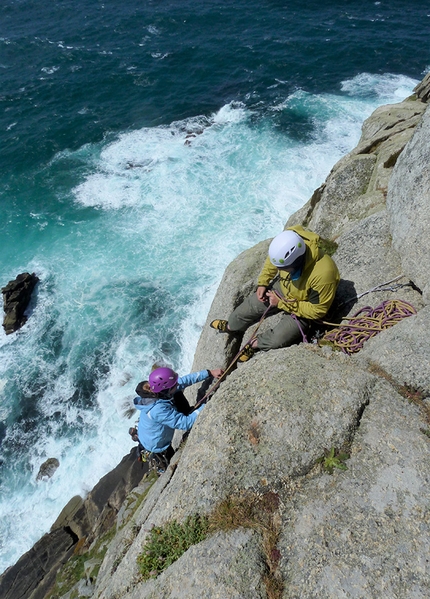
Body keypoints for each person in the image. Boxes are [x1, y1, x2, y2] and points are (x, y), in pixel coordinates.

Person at [210, 225, 340, 361]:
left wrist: (282, 304)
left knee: (278, 339)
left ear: (296, 263)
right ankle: (232, 326)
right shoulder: (290, 238)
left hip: (303, 305)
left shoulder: (324, 274)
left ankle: (255, 343)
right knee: (247, 308)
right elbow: (272, 262)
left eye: (284, 268)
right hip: (285, 287)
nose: (279, 270)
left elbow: (318, 310)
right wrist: (263, 282)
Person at [133, 366, 223, 470]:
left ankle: (189, 412)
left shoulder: (159, 391)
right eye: (174, 384)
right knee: (170, 463)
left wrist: (209, 372)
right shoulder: (158, 410)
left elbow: (184, 381)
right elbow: (186, 423)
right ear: (166, 390)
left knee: (177, 393)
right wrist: (207, 404)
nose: (178, 384)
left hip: (149, 434)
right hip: (157, 445)